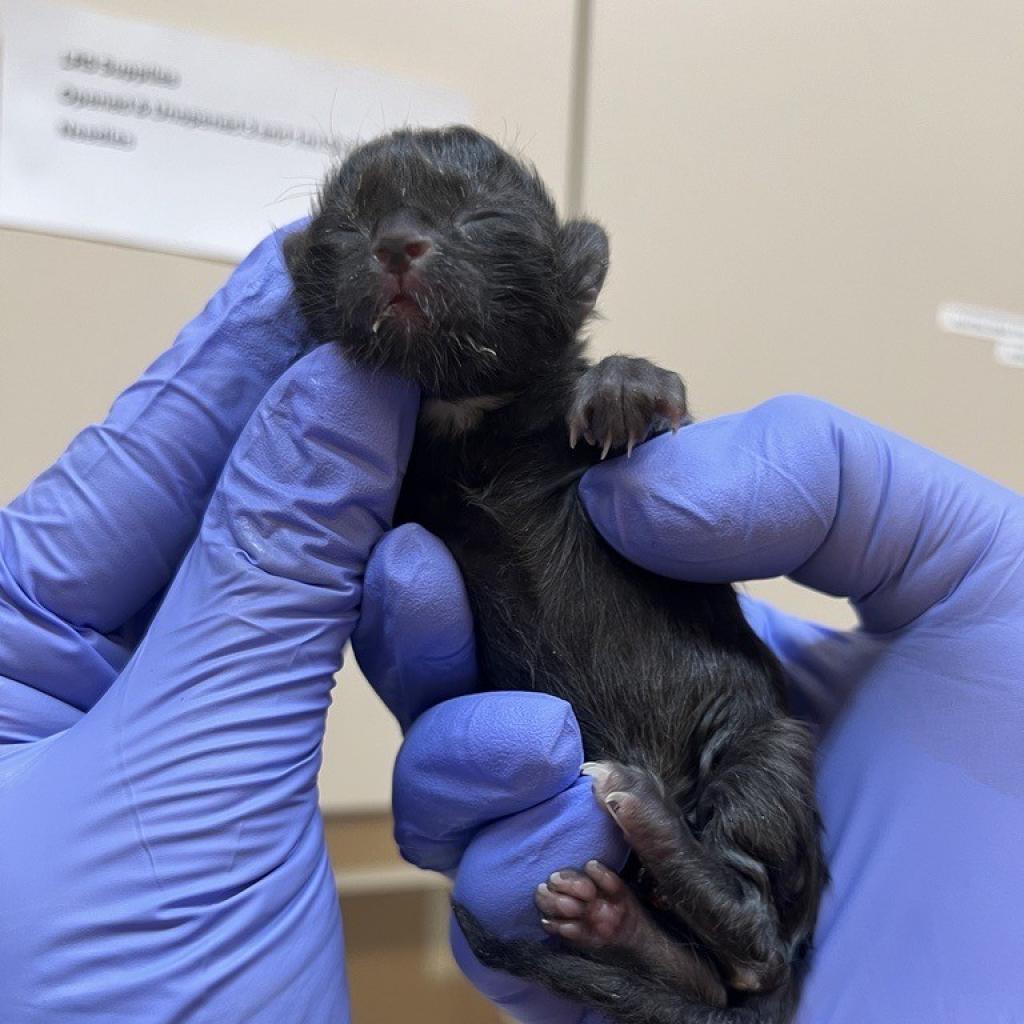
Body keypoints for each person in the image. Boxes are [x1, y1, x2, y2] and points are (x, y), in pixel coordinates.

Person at [0, 227, 1020, 1024]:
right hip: (600, 825)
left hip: (719, 755)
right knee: (539, 863)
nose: (410, 247)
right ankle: (662, 947)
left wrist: (632, 391)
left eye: (471, 227)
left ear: (567, 280)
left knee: (759, 767)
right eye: (376, 228)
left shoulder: (571, 405)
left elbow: (616, 419)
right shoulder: (389, 462)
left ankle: (728, 929)